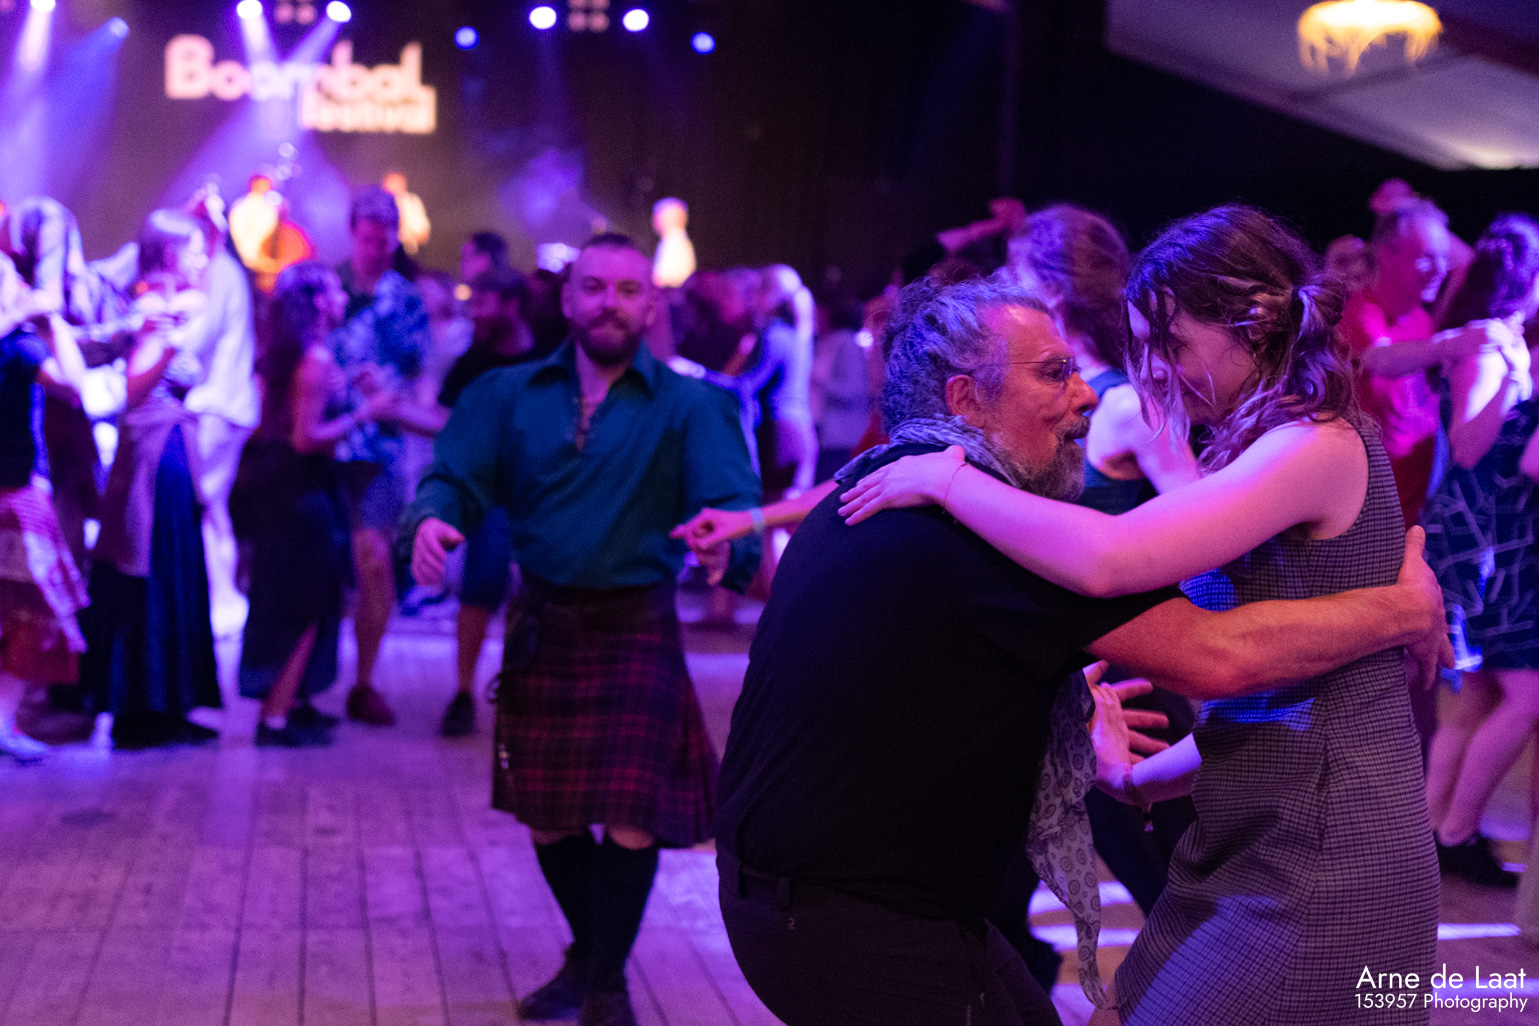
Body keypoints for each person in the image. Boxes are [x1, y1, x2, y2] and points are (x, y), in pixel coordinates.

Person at [838, 208, 1444, 1025]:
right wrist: (1131, 780)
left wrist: (950, 480)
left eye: (1170, 343)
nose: (1151, 369)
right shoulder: (1254, 445)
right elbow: (1259, 712)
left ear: (1252, 322)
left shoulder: (1315, 443)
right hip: (1240, 849)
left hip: (1326, 858)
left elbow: (1108, 559)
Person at [404, 233, 761, 1026]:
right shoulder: (505, 394)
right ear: (567, 299)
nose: (609, 304)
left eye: (628, 290)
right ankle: (592, 959)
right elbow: (451, 478)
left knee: (632, 819)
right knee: (550, 815)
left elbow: (733, 506)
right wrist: (430, 518)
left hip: (637, 627)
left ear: (651, 304)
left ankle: (602, 984)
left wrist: (725, 546)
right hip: (543, 626)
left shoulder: (692, 405)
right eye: (594, 287)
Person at [1421, 214, 1539, 888]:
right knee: (1509, 698)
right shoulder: (1491, 347)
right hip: (1480, 541)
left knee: (1473, 701)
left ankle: (1438, 836)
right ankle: (1451, 832)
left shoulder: (1496, 343)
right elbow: (1469, 446)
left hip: (1492, 540)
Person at [234, 262, 395, 747]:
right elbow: (305, 438)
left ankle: (293, 704)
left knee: (301, 597)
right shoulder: (314, 359)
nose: (343, 296)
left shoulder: (293, 354)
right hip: (300, 490)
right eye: (334, 290)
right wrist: (366, 413)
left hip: (282, 486)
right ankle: (276, 717)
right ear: (319, 302)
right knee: (304, 603)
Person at [81, 210, 222, 750]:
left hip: (168, 452)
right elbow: (133, 391)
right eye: (193, 251)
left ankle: (164, 705)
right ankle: (145, 708)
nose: (202, 261)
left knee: (167, 572)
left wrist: (209, 227)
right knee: (153, 575)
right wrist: (165, 345)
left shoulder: (168, 303)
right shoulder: (153, 311)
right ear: (168, 255)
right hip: (154, 457)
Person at [330, 185, 432, 727]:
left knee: (374, 564)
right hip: (324, 441)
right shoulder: (329, 287)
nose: (376, 249)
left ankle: (364, 682)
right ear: (353, 235)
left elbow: (418, 376)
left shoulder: (406, 299)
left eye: (385, 240)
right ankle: (302, 683)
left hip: (378, 447)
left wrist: (387, 393)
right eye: (368, 239)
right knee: (321, 564)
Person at [433, 268, 537, 738]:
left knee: (532, 592)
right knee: (480, 587)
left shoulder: (549, 354)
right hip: (492, 497)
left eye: (483, 304)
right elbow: (442, 419)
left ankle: (519, 686)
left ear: (512, 305)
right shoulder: (472, 362)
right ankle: (463, 692)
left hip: (543, 494)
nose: (474, 314)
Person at [0, 281, 90, 761]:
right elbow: (74, 387)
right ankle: (2, 723)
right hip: (18, 497)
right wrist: (51, 322)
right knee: (28, 615)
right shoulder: (22, 346)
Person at [182, 185, 260, 640]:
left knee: (203, 507)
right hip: (228, 405)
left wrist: (157, 331)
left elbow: (198, 337)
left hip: (217, 406)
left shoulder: (219, 270)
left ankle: (222, 602)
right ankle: (223, 601)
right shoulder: (225, 269)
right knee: (212, 508)